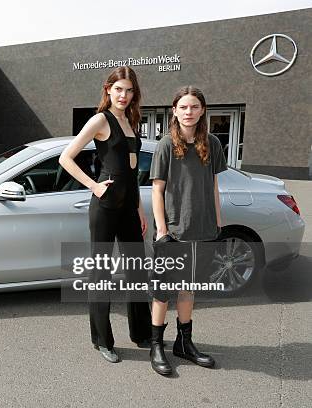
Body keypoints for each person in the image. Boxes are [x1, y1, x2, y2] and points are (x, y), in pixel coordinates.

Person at [59, 66, 152, 363]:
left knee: (137, 271)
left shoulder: (130, 121)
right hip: (105, 207)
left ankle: (142, 333)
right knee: (101, 274)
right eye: (119, 89)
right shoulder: (101, 119)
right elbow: (66, 157)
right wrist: (94, 186)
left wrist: (139, 209)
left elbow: (133, 171)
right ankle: (102, 340)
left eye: (129, 90)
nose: (123, 95)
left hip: (128, 206)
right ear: (108, 90)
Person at [148, 86, 227, 376]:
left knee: (188, 288)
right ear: (175, 111)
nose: (189, 112)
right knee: (162, 291)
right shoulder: (166, 144)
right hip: (174, 232)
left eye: (194, 106)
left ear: (202, 110)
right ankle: (157, 346)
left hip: (203, 230)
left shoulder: (214, 143)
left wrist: (218, 225)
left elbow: (215, 187)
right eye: (184, 107)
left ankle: (184, 343)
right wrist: (161, 231)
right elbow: (157, 191)